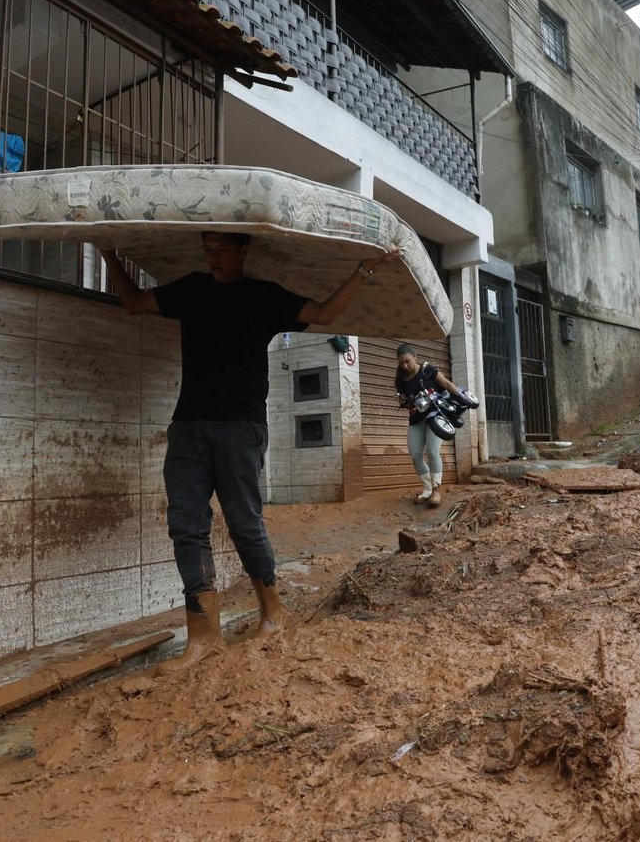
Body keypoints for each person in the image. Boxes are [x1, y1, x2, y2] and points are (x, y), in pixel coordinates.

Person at [101, 234, 402, 670]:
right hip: (187, 428)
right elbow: (134, 303)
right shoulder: (191, 289)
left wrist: (364, 269)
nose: (213, 256)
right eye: (207, 248)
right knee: (186, 526)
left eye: (222, 249)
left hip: (241, 430)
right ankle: (203, 638)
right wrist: (110, 254)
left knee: (244, 521)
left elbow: (324, 313)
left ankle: (272, 610)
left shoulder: (263, 297)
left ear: (244, 250)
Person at [394, 344, 465, 507]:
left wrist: (462, 397)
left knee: (432, 452)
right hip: (416, 419)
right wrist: (407, 402)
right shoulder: (400, 379)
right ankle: (426, 489)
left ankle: (436, 491)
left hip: (436, 416)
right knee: (415, 454)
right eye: (401, 363)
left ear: (415, 356)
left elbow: (446, 384)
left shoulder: (427, 370)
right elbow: (402, 400)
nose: (405, 366)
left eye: (407, 361)